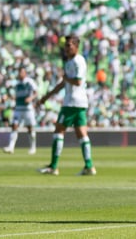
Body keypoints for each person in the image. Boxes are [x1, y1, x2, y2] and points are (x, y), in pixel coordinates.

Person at [37, 35, 96, 176]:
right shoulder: (69, 62)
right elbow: (64, 83)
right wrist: (47, 96)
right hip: (79, 102)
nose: (66, 48)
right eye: (65, 45)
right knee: (82, 134)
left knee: (58, 132)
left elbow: (78, 81)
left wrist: (66, 78)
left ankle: (53, 166)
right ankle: (89, 166)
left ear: (76, 46)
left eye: (69, 45)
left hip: (72, 102)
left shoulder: (78, 61)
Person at [3, 66, 38, 155]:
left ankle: (33, 147)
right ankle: (11, 147)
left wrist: (31, 98)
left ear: (25, 73)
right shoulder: (16, 83)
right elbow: (14, 94)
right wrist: (8, 97)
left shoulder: (29, 82)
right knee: (14, 126)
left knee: (30, 128)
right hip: (18, 108)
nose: (20, 74)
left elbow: (36, 92)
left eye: (22, 72)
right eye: (19, 72)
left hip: (28, 109)